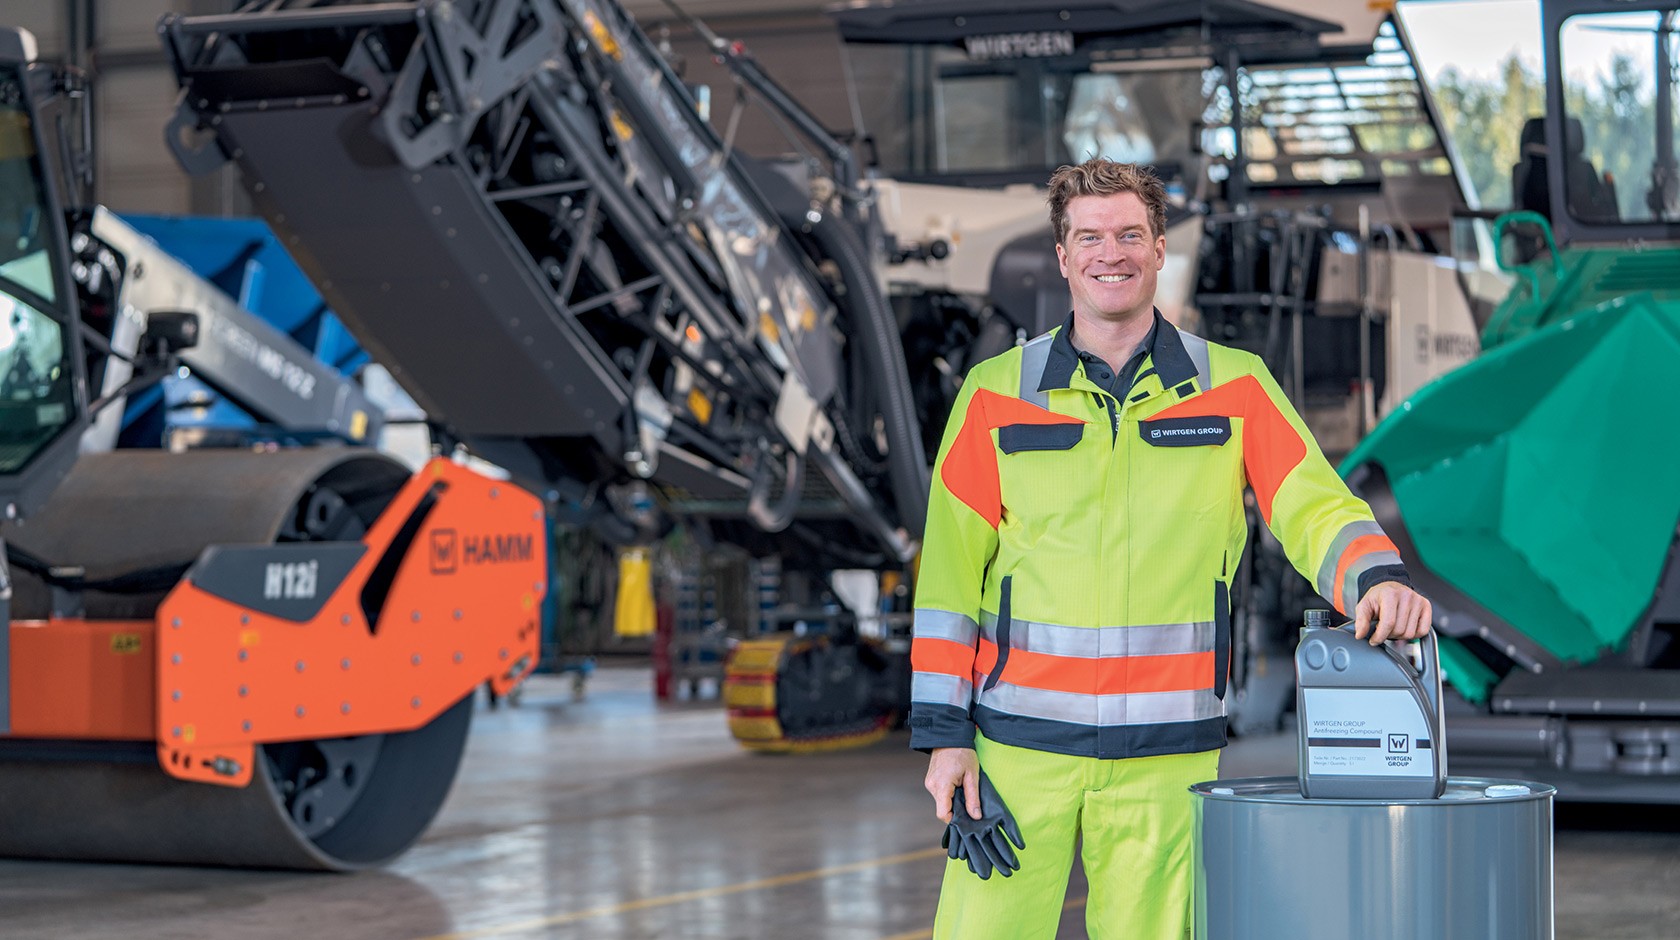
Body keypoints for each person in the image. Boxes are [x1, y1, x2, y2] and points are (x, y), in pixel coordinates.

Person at [908, 159, 1432, 939]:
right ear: (1063, 256)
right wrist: (946, 739)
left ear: (1159, 250)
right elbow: (948, 582)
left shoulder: (1237, 387)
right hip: (1015, 754)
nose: (1108, 253)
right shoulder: (994, 397)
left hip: (1167, 758)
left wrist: (1374, 578)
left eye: (1128, 234)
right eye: (1089, 237)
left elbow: (1315, 506)